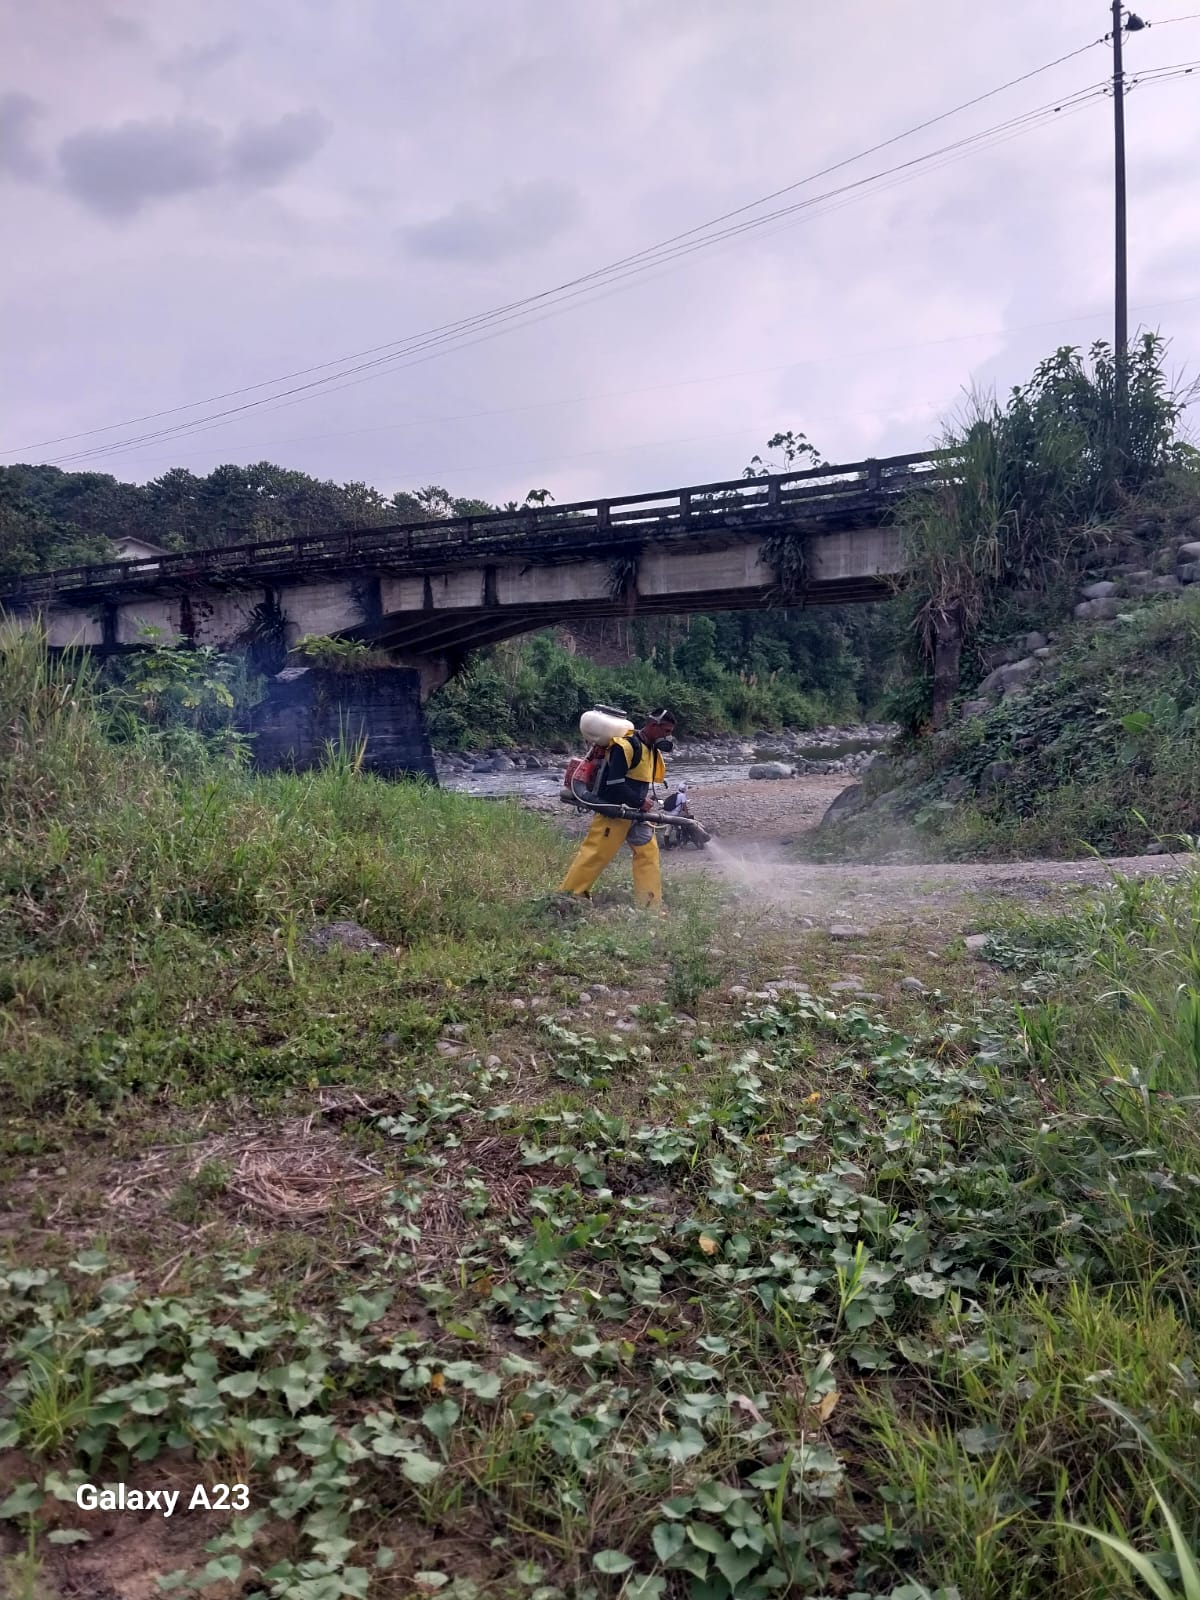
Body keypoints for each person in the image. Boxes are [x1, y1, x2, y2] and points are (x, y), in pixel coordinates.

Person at [559, 709, 676, 909]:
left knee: (648, 855)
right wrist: (639, 801)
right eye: (666, 731)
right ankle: (566, 899)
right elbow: (614, 784)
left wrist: (640, 804)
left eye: (670, 732)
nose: (668, 737)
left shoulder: (650, 750)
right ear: (652, 725)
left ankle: (650, 907)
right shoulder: (626, 747)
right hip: (614, 813)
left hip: (637, 815)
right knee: (595, 855)